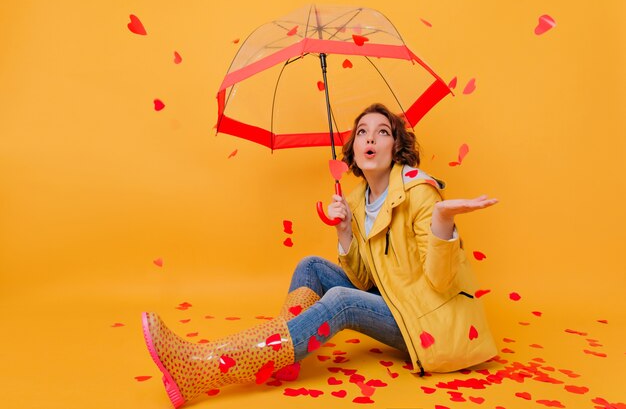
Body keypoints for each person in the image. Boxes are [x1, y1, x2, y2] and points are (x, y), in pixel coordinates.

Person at [142, 103, 498, 408]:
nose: (370, 138)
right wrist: (344, 231)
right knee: (310, 265)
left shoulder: (421, 193)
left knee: (342, 301)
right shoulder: (358, 200)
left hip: (428, 322)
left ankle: (203, 365)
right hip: (393, 302)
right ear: (355, 149)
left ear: (397, 146)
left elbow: (440, 281)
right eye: (362, 132)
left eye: (382, 132)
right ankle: (285, 358)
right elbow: (365, 281)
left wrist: (442, 221)